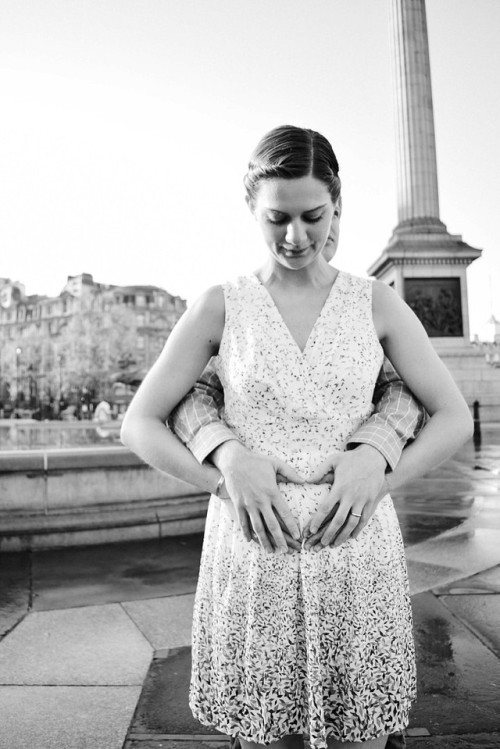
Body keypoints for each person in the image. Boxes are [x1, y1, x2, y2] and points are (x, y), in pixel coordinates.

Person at [121, 125, 473, 749]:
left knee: (362, 737)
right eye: (276, 218)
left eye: (313, 216)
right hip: (255, 554)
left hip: (357, 553)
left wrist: (381, 474)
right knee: (264, 737)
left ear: (337, 204)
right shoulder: (219, 305)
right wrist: (223, 476)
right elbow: (140, 422)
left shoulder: (378, 304)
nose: (295, 236)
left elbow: (452, 415)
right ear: (250, 210)